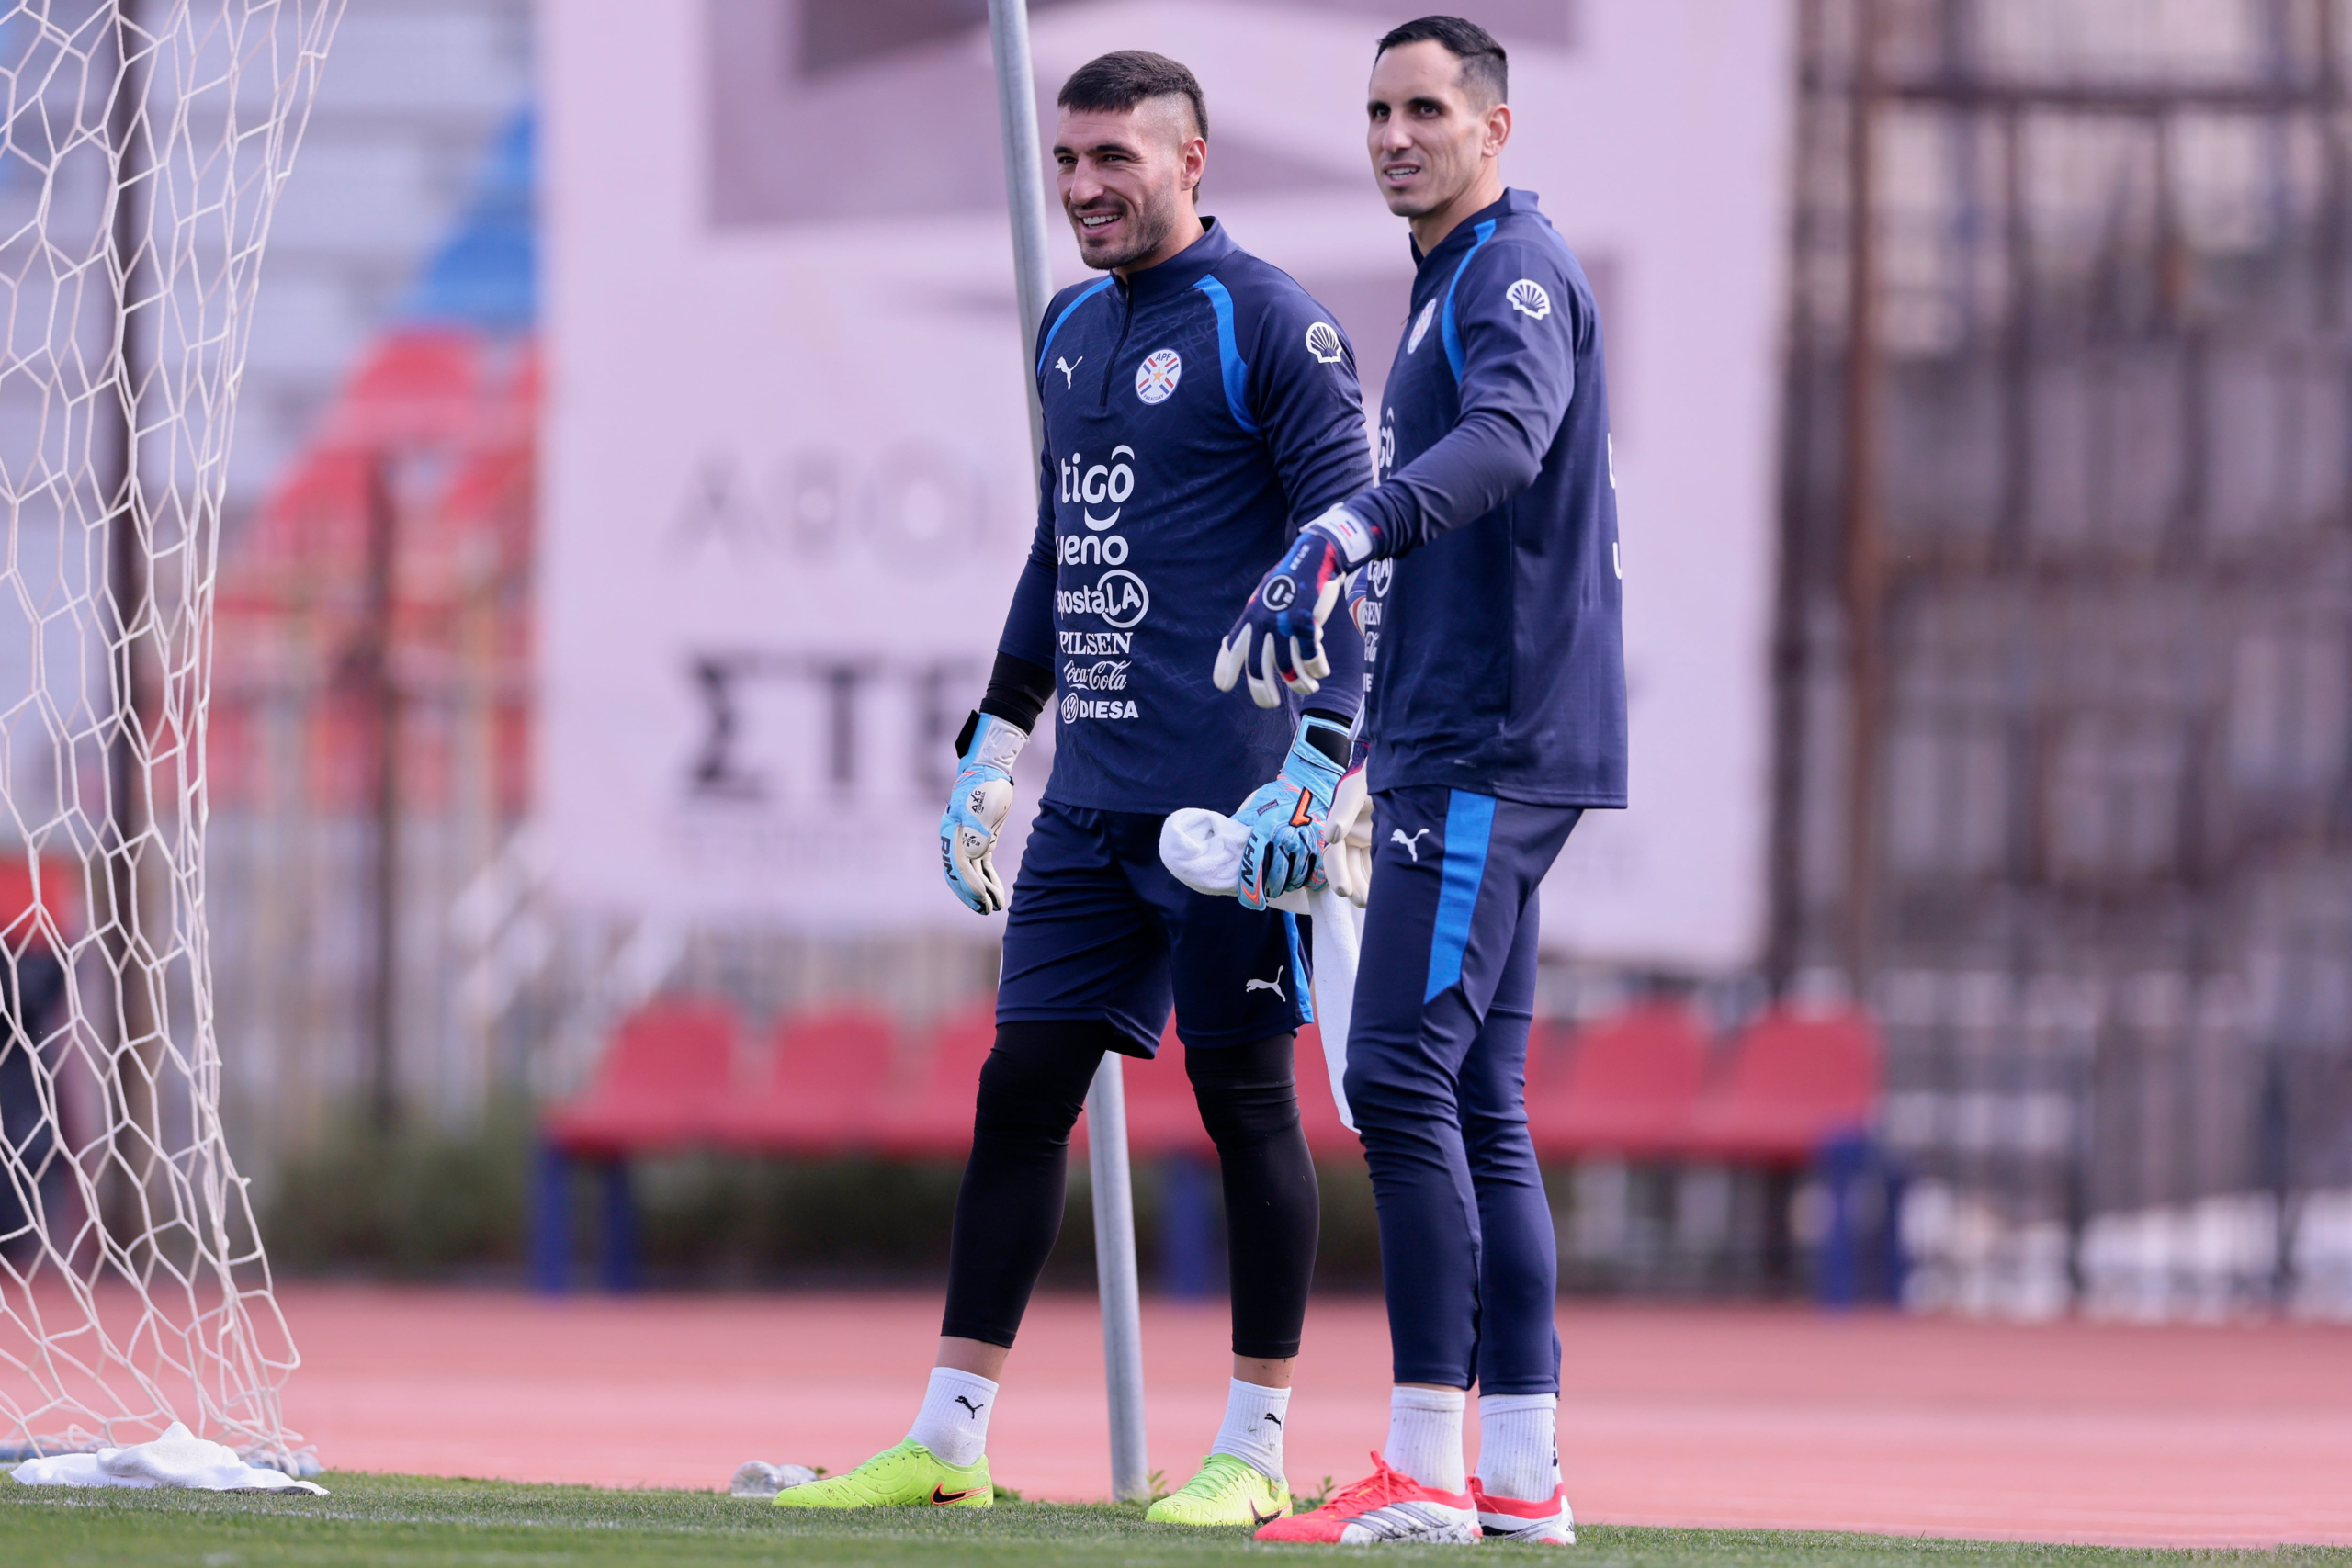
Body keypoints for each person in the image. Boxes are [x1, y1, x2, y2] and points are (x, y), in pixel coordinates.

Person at [775, 51, 1374, 1527]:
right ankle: (948, 1439)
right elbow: (1064, 548)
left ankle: (1254, 1446)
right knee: (1019, 1093)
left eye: (1116, 157)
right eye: (1068, 159)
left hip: (1231, 814)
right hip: (1090, 805)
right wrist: (995, 743)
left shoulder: (1269, 322)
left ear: (1192, 160)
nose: (1085, 186)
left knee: (1246, 1105)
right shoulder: (1066, 327)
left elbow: (1350, 545)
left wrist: (1321, 756)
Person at [1216, 16, 1623, 1548]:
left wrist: (1345, 527)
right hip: (1477, 739)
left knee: (1393, 1074)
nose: (1394, 135)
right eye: (1378, 110)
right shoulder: (1454, 273)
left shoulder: (1510, 271)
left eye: (1426, 111)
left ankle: (1426, 1468)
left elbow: (1509, 441)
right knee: (1474, 1100)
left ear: (1494, 129)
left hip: (1489, 745)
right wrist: (1350, 741)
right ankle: (1517, 1471)